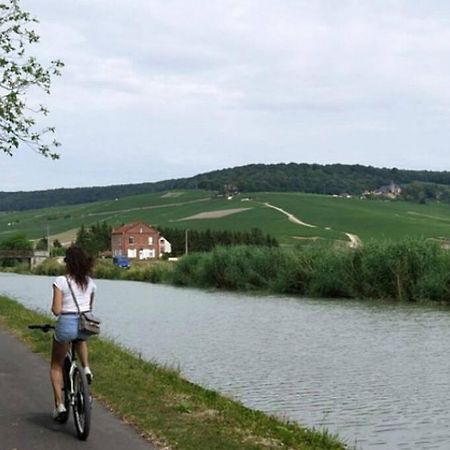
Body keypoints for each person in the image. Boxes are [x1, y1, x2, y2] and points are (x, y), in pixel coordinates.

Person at [50, 246, 96, 421]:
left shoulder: (61, 281)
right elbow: (90, 308)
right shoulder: (90, 283)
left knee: (55, 365)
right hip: (85, 324)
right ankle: (86, 368)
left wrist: (56, 309)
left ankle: (60, 405)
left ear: (67, 263)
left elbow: (56, 310)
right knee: (80, 338)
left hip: (66, 324)